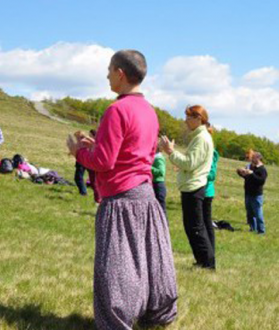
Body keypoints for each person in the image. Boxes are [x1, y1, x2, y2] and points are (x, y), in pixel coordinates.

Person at [66, 49, 177, 329]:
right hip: (145, 194)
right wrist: (97, 145)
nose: (106, 76)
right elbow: (140, 152)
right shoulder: (149, 111)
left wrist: (77, 153)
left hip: (120, 198)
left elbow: (104, 161)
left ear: (120, 73)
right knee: (149, 259)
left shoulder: (117, 109)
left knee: (116, 266)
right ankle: (155, 313)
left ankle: (118, 320)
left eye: (109, 70)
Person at [160, 105, 215, 269]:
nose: (185, 121)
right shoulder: (200, 137)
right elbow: (192, 162)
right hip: (194, 186)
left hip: (193, 187)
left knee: (195, 227)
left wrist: (171, 152)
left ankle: (206, 264)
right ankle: (204, 261)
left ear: (198, 118)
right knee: (196, 226)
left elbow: (190, 163)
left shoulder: (201, 138)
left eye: (188, 117)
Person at [237, 152, 268, 234]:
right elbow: (248, 178)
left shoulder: (262, 169)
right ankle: (252, 228)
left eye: (253, 157)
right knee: (250, 213)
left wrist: (252, 174)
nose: (251, 159)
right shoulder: (251, 166)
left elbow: (260, 181)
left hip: (256, 195)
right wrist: (241, 172)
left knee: (258, 214)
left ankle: (261, 231)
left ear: (258, 158)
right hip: (248, 193)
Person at [204, 147, 219, 252]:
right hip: (200, 191)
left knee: (207, 222)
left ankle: (210, 250)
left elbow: (212, 175)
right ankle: (206, 250)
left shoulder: (211, 153)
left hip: (206, 192)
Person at [152, 143, 168, 217]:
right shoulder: (154, 157)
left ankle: (165, 225)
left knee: (161, 208)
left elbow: (161, 172)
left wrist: (148, 167)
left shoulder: (159, 158)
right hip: (154, 183)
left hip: (158, 185)